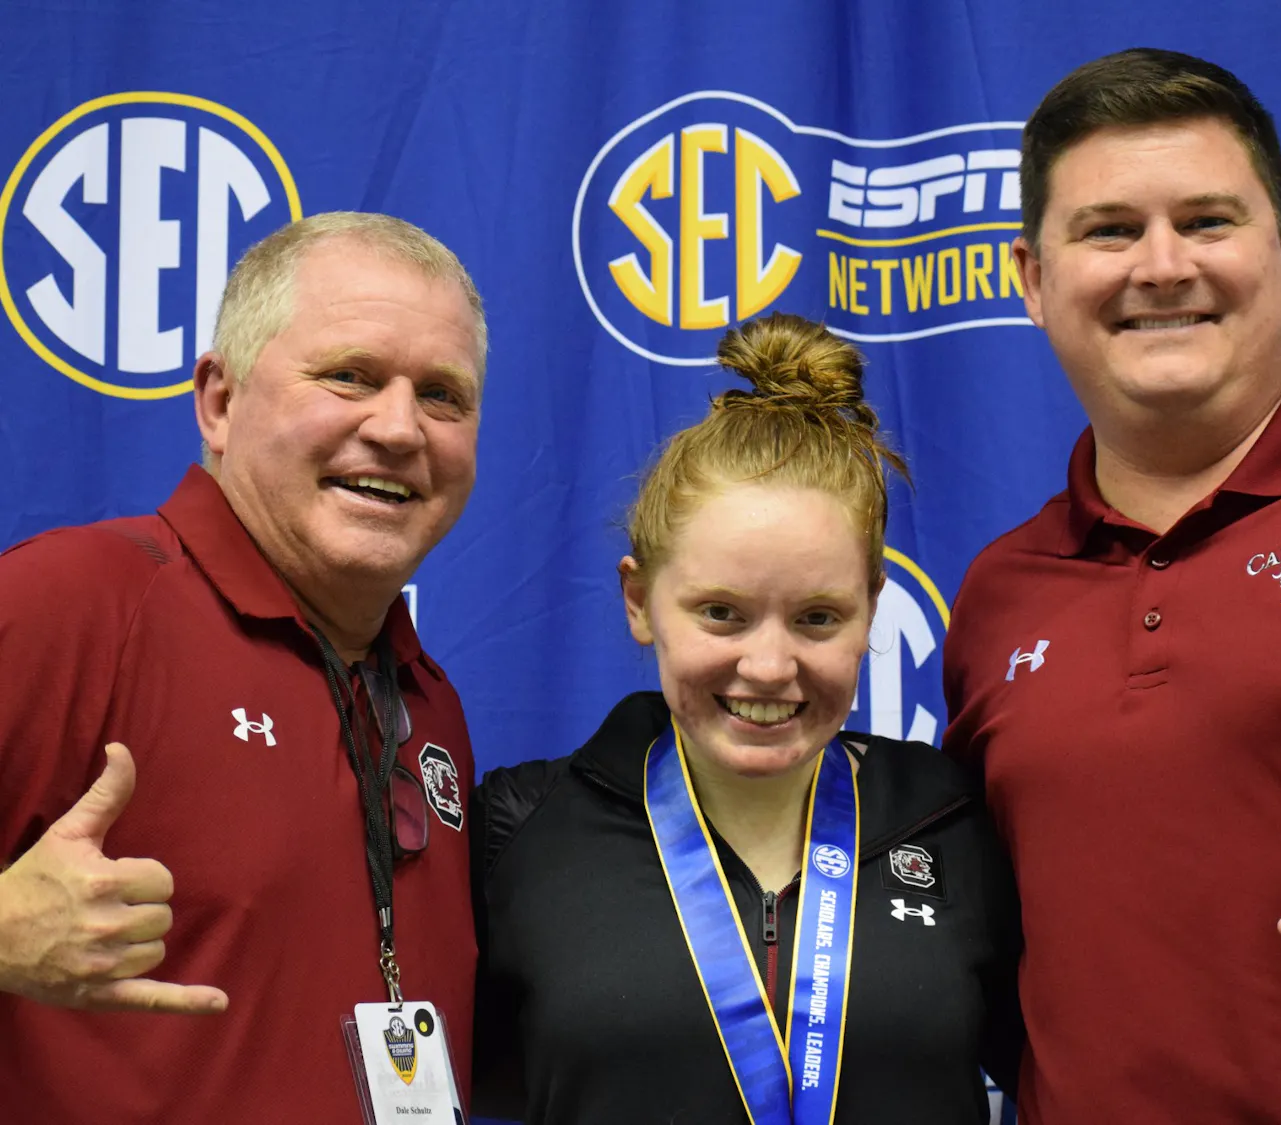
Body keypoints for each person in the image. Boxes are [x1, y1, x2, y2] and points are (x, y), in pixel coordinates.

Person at [943, 46, 1281, 1123]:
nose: (1161, 265)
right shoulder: (997, 596)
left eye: (1206, 221)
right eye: (1109, 231)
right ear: (1032, 280)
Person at [471, 312, 1023, 1124]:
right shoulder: (519, 829)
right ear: (638, 599)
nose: (768, 666)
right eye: (722, 613)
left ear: (872, 610)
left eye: (817, 618)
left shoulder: (959, 823)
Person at [0, 212, 485, 1123]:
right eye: (349, 375)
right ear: (219, 403)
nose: (398, 427)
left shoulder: (429, 702)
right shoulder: (70, 606)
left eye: (443, 396)